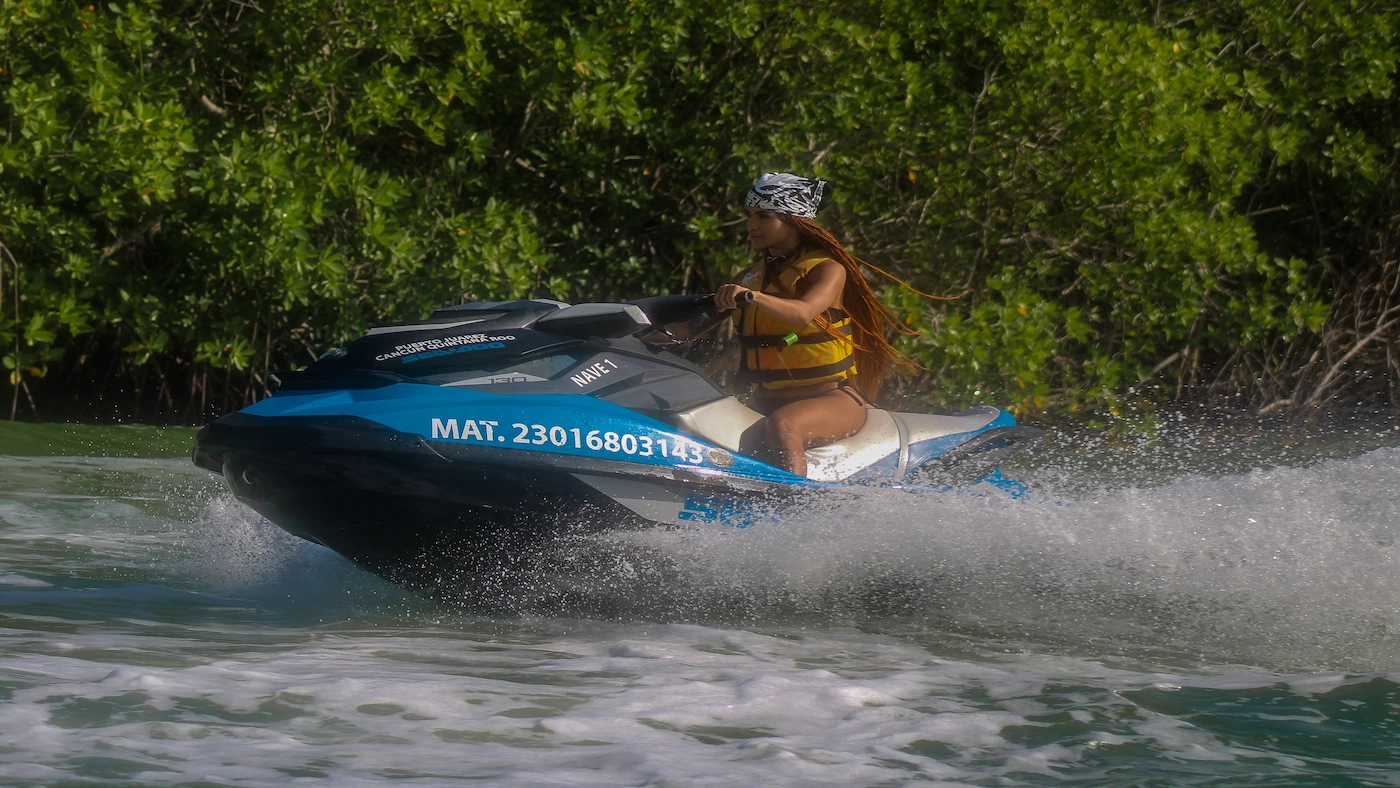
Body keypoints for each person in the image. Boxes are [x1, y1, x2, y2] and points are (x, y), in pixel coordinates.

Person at [709, 172, 921, 477]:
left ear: (795, 221)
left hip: (830, 400)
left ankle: (796, 511)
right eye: (750, 215)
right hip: (763, 400)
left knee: (784, 425)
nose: (751, 225)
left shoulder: (828, 270)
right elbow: (689, 328)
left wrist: (751, 297)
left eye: (764, 216)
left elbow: (802, 313)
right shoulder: (749, 277)